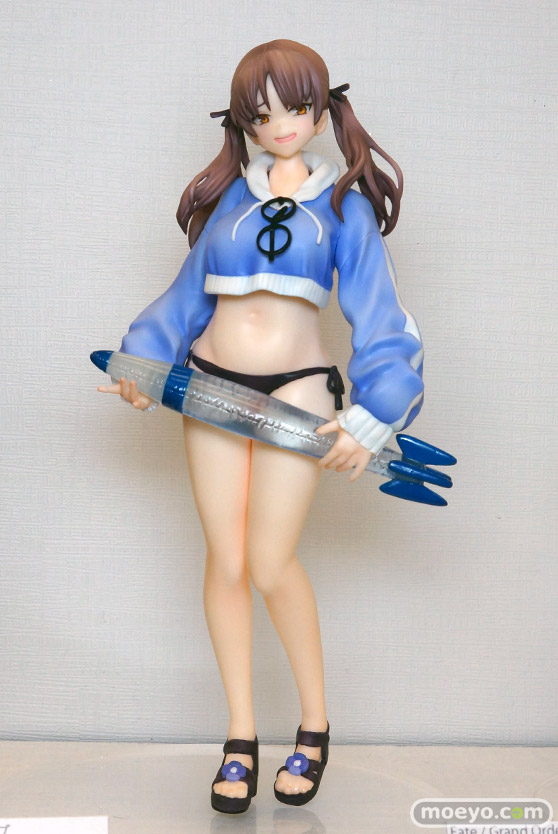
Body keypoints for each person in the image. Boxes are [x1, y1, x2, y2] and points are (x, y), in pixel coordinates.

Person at [97, 39, 424, 813]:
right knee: (227, 559)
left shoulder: (342, 206)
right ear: (243, 120)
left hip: (299, 394)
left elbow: (382, 317)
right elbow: (187, 296)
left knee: (273, 562)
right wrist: (144, 357)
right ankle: (240, 734)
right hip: (211, 388)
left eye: (296, 107)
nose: (280, 125)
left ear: (321, 110)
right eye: (261, 113)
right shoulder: (229, 204)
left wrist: (374, 413)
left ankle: (314, 724)